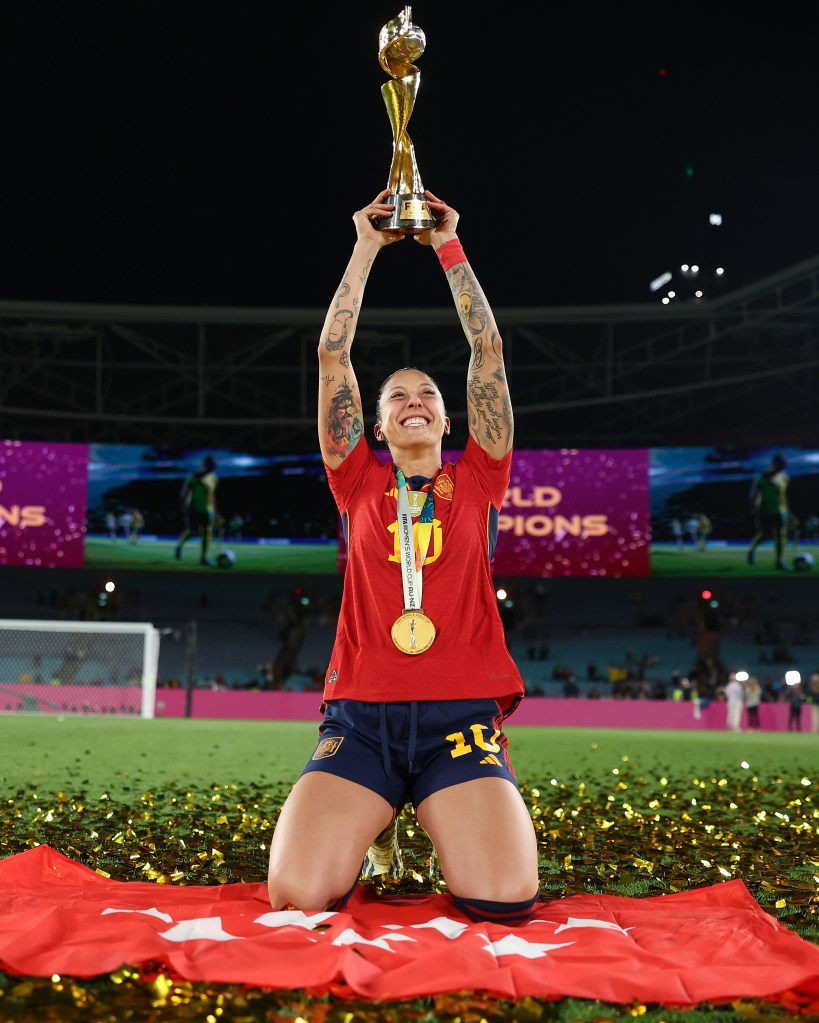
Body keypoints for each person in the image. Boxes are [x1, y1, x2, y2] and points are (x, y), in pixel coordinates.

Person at [266, 189, 540, 925]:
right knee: (297, 894)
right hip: (361, 719)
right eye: (395, 396)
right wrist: (366, 244)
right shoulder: (355, 479)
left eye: (427, 393)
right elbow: (332, 356)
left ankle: (432, 810)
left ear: (449, 419)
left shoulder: (479, 476)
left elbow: (487, 352)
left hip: (460, 720)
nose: (413, 399)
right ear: (377, 426)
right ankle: (377, 814)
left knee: (503, 898)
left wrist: (448, 246)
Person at [747, 453, 790, 570]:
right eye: (780, 463)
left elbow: (783, 496)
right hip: (765, 510)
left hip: (780, 511)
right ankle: (752, 551)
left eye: (784, 464)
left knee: (781, 536)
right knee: (765, 534)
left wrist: (788, 512)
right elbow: (754, 494)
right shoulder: (762, 477)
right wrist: (754, 508)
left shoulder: (785, 477)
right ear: (774, 464)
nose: (783, 465)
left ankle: (779, 562)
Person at [175, 455, 219, 566]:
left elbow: (212, 495)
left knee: (207, 533)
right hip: (194, 508)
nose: (213, 467)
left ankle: (204, 557)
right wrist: (183, 504)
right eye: (211, 465)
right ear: (205, 465)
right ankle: (179, 546)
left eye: (214, 466)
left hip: (208, 510)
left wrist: (215, 511)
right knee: (193, 531)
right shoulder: (194, 477)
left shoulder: (214, 478)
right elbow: (185, 492)